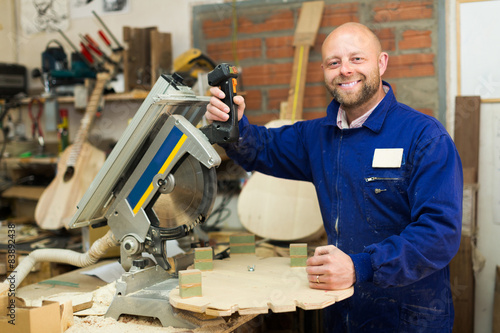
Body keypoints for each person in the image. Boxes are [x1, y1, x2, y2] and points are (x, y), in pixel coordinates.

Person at [206, 22, 463, 332]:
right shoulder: (318, 136)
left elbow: (439, 235)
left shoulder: (424, 137)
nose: (345, 70)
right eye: (334, 62)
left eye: (357, 59)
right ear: (324, 71)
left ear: (381, 63)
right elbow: (262, 148)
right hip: (342, 311)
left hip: (408, 316)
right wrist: (230, 124)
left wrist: (361, 266)